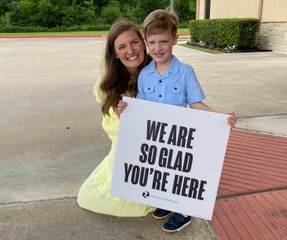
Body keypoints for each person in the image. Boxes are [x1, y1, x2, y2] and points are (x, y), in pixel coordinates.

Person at [117, 9, 237, 233]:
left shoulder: (185, 72)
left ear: (175, 40)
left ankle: (183, 212)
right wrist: (127, 108)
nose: (157, 47)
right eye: (152, 42)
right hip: (156, 135)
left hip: (179, 135)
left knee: (181, 171)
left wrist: (221, 117)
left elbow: (196, 104)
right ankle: (165, 201)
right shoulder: (145, 75)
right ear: (146, 42)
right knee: (162, 169)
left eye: (163, 41)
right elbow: (142, 108)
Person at [77, 18, 155, 217]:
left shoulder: (161, 70)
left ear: (143, 41)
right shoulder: (108, 84)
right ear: (114, 53)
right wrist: (126, 119)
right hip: (129, 150)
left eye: (134, 42)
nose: (130, 50)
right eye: (122, 46)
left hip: (156, 149)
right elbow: (116, 133)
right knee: (90, 197)